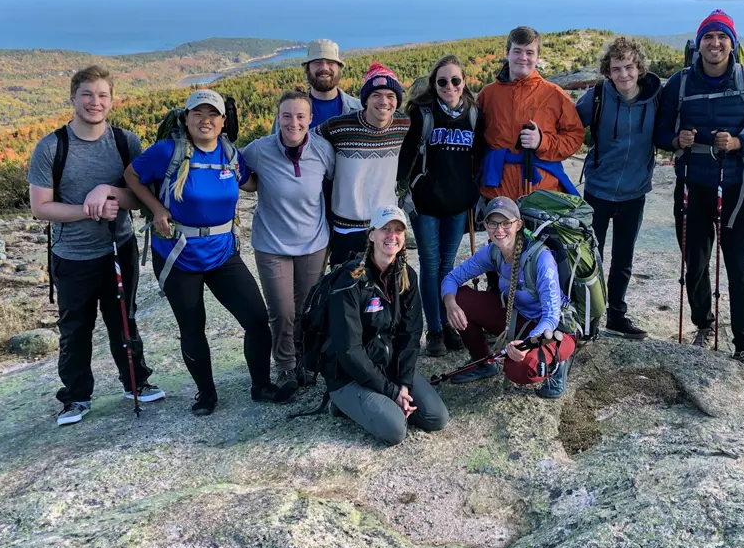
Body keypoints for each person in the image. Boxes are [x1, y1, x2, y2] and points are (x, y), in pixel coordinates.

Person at [124, 89, 275, 415]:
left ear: (223, 121)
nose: (205, 120)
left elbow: (251, 183)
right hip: (178, 253)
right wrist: (155, 208)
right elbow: (131, 175)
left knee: (258, 319)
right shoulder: (167, 152)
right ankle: (206, 394)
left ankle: (261, 386)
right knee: (193, 327)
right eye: (198, 114)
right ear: (187, 118)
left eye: (212, 115)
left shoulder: (230, 154)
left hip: (222, 253)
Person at [29, 65, 164, 426]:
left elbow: (139, 198)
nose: (95, 102)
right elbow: (40, 207)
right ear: (72, 98)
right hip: (72, 255)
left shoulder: (125, 142)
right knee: (75, 328)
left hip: (119, 248)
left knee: (125, 319)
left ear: (111, 100)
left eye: (102, 95)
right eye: (87, 94)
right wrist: (88, 210)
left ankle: (136, 382)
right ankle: (76, 397)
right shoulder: (51, 147)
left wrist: (108, 192)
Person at [654, 9, 744, 362]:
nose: (715, 42)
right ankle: (703, 324)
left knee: (738, 268)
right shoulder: (679, 84)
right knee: (694, 263)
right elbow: (660, 133)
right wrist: (677, 140)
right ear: (699, 44)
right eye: (709, 36)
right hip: (692, 185)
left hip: (737, 189)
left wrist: (740, 143)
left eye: (722, 36)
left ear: (732, 43)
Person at [324, 206, 450, 445]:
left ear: (404, 238)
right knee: (394, 430)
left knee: (436, 417)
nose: (392, 236)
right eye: (385, 229)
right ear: (371, 234)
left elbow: (410, 335)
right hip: (348, 374)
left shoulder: (407, 276)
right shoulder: (351, 280)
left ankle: (378, 401)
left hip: (388, 366)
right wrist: (393, 393)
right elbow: (349, 350)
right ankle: (340, 402)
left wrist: (403, 383)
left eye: (398, 230)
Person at [242, 90, 336, 401]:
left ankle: (305, 360)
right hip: (272, 244)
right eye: (286, 116)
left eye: (300, 116)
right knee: (282, 311)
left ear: (310, 119)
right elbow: (234, 169)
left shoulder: (323, 150)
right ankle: (284, 364)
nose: (293, 123)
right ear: (278, 118)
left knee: (307, 309)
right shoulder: (259, 150)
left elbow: (335, 184)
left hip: (314, 242)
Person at [440, 197, 578, 399]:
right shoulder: (493, 252)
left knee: (519, 370)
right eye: (493, 223)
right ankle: (483, 362)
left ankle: (557, 365)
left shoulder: (542, 259)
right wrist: (450, 304)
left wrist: (526, 345)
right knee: (460, 299)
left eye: (506, 223)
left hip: (554, 331)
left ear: (518, 224)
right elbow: (451, 279)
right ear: (485, 225)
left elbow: (551, 317)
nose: (499, 230)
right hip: (519, 319)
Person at [396, 54, 485, 356]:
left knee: (447, 268)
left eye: (455, 80)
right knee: (431, 267)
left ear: (464, 83)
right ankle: (434, 330)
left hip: (458, 205)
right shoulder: (423, 114)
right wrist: (403, 193)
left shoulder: (473, 114)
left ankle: (447, 325)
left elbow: (481, 155)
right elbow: (405, 158)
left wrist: (474, 191)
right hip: (427, 205)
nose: (449, 86)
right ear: (434, 85)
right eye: (442, 81)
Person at [575, 35, 662, 340]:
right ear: (607, 71)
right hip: (598, 189)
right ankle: (589, 315)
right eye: (616, 69)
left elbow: (667, 133)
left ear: (639, 67)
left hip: (634, 192)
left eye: (628, 67)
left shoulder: (655, 98)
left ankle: (617, 315)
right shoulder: (598, 95)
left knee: (623, 258)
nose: (623, 74)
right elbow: (571, 125)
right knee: (591, 257)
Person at [477, 26, 585, 203]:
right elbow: (476, 140)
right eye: (517, 51)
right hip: (498, 191)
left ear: (538, 57)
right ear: (507, 54)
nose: (523, 58)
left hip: (542, 192)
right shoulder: (488, 95)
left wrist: (542, 142)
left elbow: (574, 137)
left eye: (529, 52)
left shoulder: (555, 95)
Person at [319, 62, 411, 265]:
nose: (384, 101)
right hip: (346, 226)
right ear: (366, 100)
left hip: (386, 227)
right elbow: (307, 142)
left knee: (385, 286)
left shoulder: (403, 124)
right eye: (376, 95)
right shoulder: (339, 126)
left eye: (391, 96)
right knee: (345, 285)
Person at [302, 38, 361, 127]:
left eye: (330, 62)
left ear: (338, 68)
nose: (324, 68)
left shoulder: (359, 110)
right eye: (317, 62)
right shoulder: (290, 112)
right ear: (308, 69)